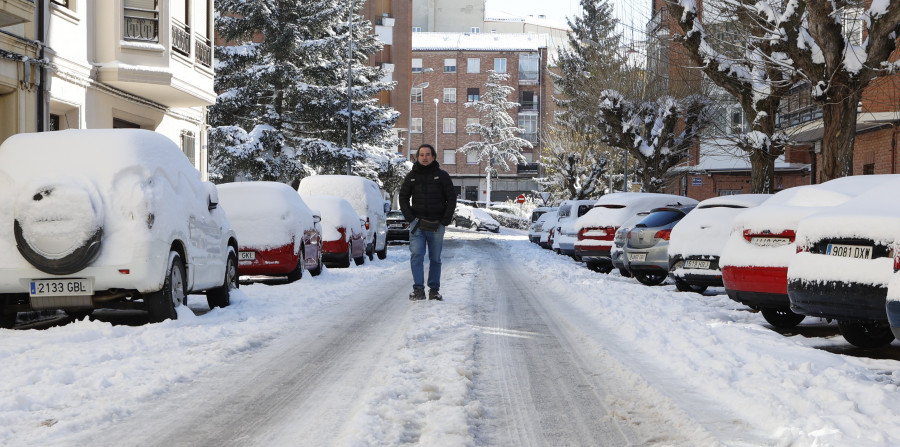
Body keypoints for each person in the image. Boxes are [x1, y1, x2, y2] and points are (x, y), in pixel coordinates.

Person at [399, 144, 457, 301]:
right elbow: (403, 198)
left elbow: (451, 199)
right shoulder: (411, 176)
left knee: (435, 258)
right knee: (417, 256)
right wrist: (411, 218)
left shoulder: (442, 176)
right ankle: (418, 290)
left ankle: (434, 290)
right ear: (417, 157)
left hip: (437, 225)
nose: (425, 157)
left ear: (433, 157)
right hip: (417, 225)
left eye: (428, 154)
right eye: (421, 155)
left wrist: (444, 220)